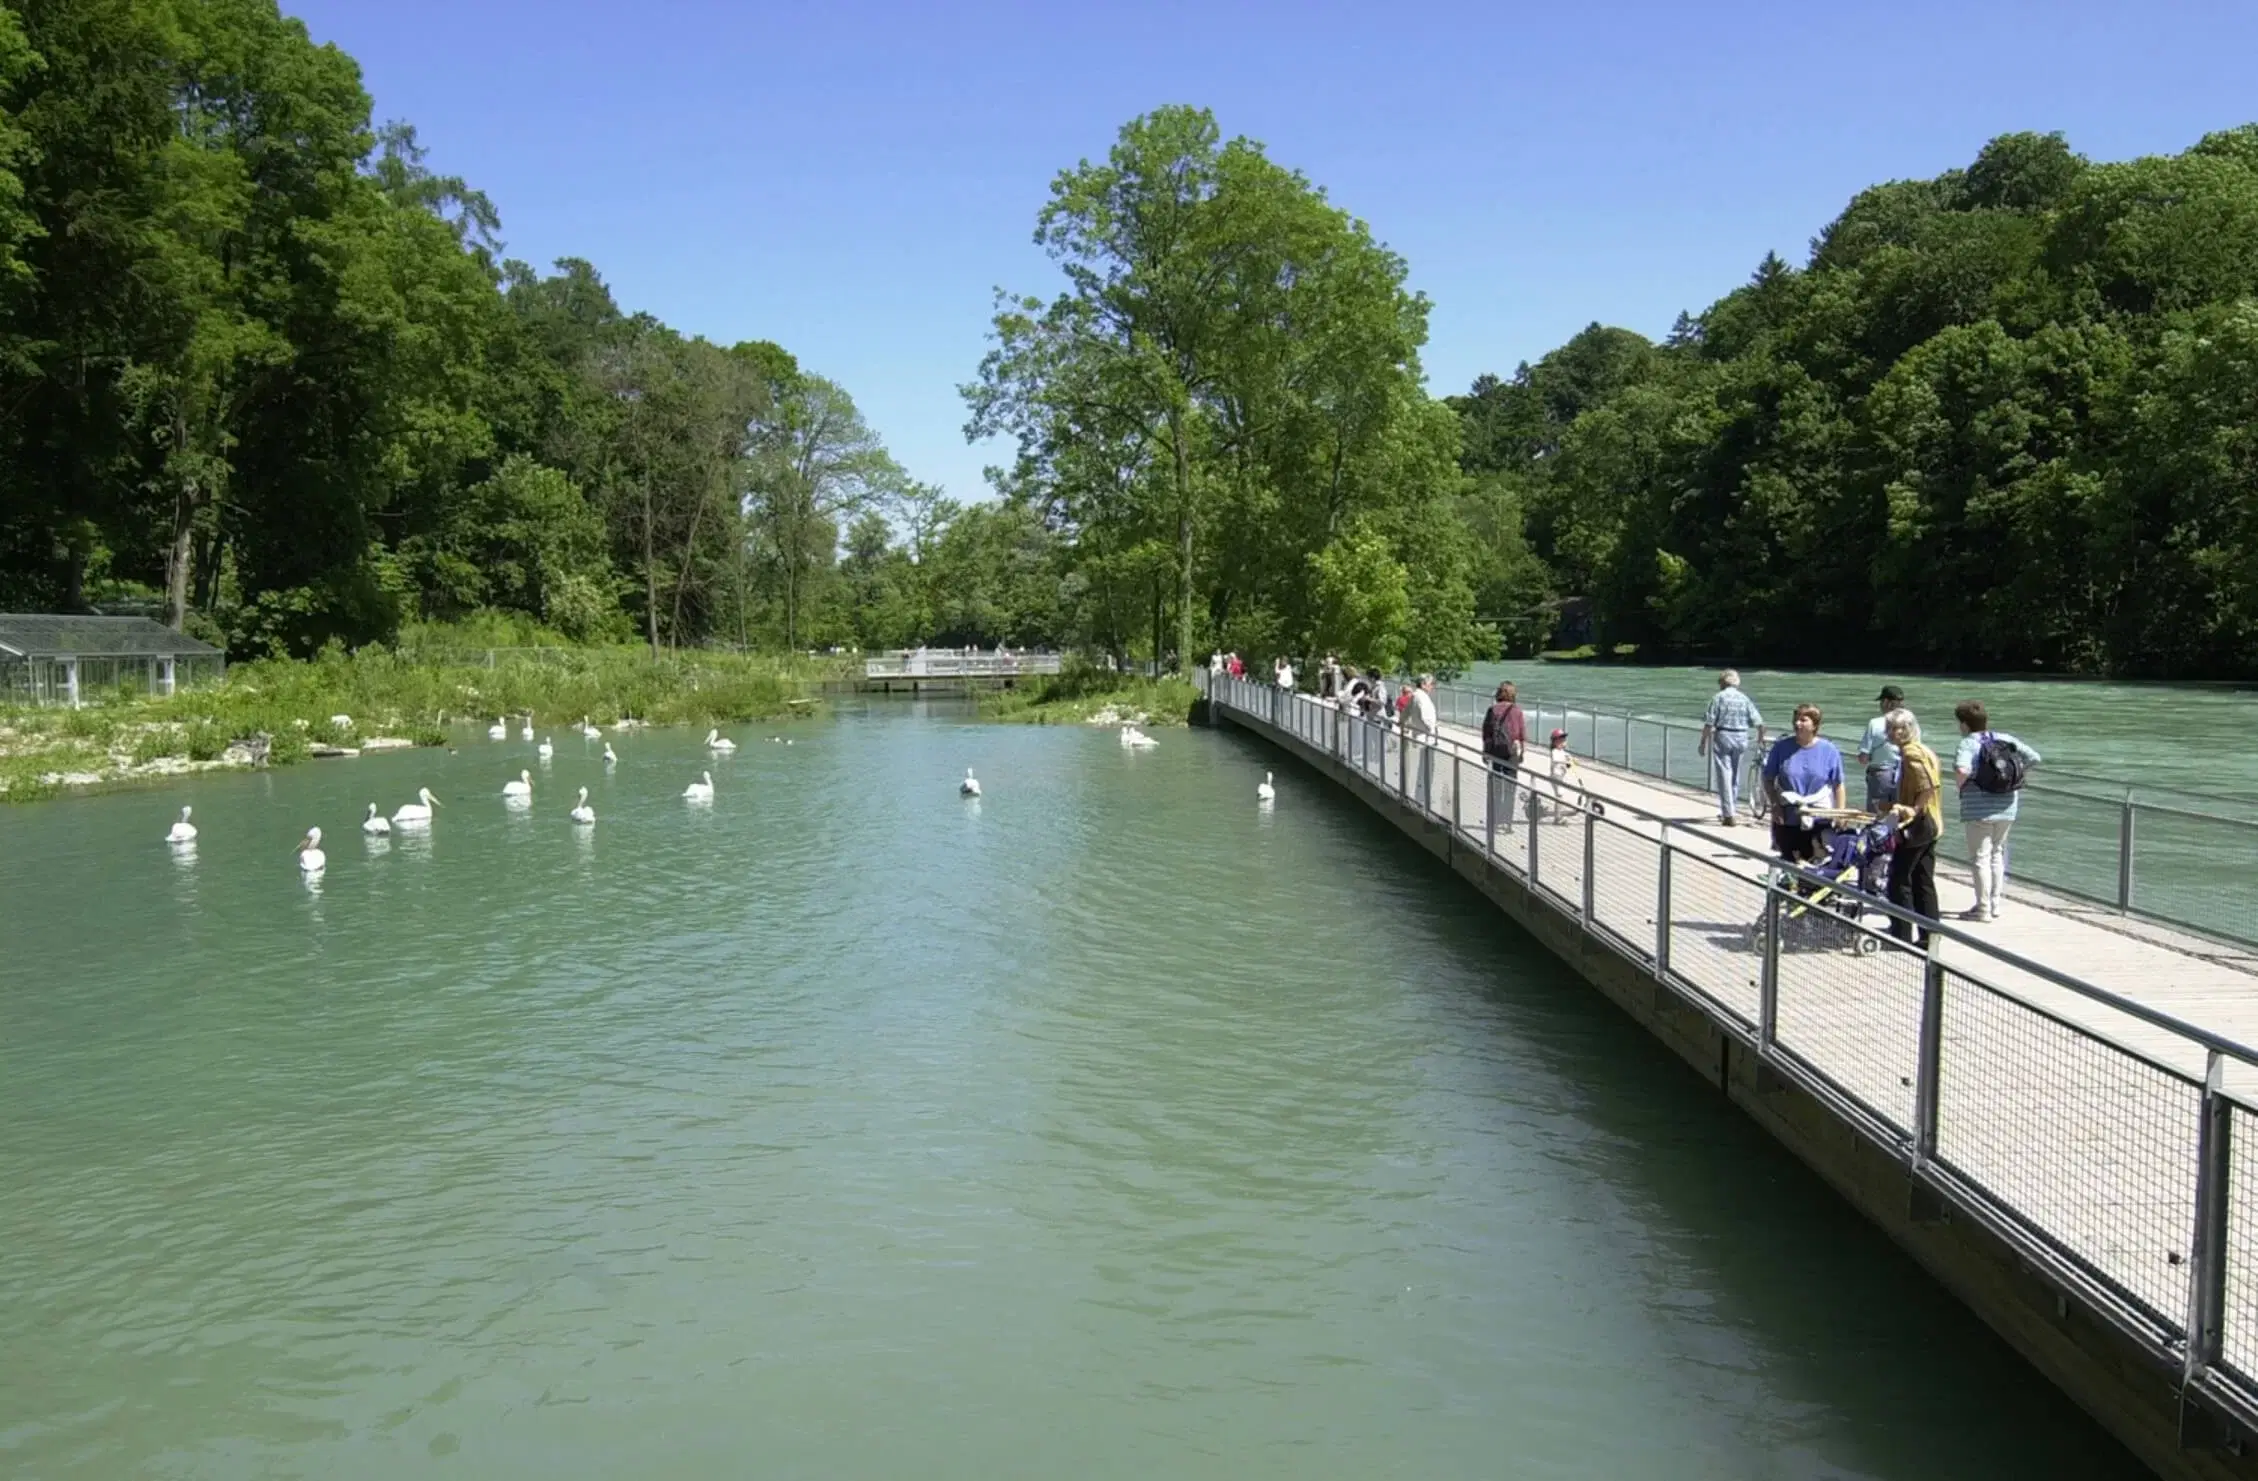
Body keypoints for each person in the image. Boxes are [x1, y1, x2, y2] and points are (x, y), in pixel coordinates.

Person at [1952, 700, 2042, 923]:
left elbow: (1962, 769)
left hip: (1978, 807)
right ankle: (1995, 905)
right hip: (2008, 805)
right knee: (1997, 854)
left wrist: (1963, 785)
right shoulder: (2005, 739)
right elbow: (2034, 758)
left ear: (1963, 724)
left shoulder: (1968, 744)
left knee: (1980, 857)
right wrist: (2017, 776)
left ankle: (1981, 909)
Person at [1759, 703, 1846, 863]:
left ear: (1815, 725)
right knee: (1789, 860)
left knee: (1817, 860)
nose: (1797, 724)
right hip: (1788, 815)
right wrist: (1775, 805)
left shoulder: (1829, 750)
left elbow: (1838, 785)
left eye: (1803, 720)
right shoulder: (1781, 747)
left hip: (1819, 817)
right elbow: (1768, 778)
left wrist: (1840, 813)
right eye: (1795, 720)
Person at [1884, 708, 1942, 945]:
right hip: (1932, 822)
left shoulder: (1911, 753)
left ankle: (1901, 934)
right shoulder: (1925, 749)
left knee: (1898, 879)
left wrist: (1912, 810)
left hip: (1917, 823)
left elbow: (1928, 785)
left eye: (1898, 728)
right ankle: (1930, 935)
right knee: (1923, 879)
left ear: (1908, 729)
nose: (1894, 733)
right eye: (1890, 728)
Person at [1698, 670, 1765, 826]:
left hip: (1724, 735)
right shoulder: (1744, 699)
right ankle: (1731, 809)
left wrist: (1703, 742)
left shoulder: (1718, 698)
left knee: (1724, 775)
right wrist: (1760, 738)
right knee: (1735, 774)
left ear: (1722, 682)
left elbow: (1709, 722)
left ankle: (1728, 814)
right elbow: (1760, 723)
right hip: (1742, 736)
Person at [1482, 680, 1526, 833]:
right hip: (1511, 753)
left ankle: (1493, 821)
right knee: (1510, 788)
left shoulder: (1492, 710)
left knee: (1496, 787)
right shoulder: (1517, 711)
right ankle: (1506, 823)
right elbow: (1521, 735)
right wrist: (1522, 754)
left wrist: (1485, 752)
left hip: (1495, 752)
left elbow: (1486, 733)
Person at [1859, 685, 1904, 813]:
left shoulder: (1875, 723)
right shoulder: (1911, 722)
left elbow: (1863, 758)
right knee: (1898, 815)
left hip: (1881, 775)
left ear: (1887, 702)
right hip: (1904, 775)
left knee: (1877, 817)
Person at [1407, 673, 1440, 806]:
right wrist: (1432, 727)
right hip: (1425, 739)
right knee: (1426, 770)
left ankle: (1420, 796)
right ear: (1423, 684)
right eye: (1431, 684)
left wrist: (1401, 722)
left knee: (1420, 769)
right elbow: (1426, 719)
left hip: (1418, 736)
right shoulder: (1422, 699)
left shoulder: (1415, 695)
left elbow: (1406, 712)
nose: (1432, 687)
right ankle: (1423, 798)